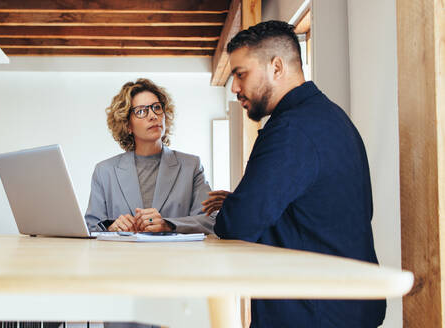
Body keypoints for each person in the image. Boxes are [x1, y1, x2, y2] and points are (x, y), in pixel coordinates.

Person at [201, 21, 386, 327]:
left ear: (276, 67)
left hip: (313, 311)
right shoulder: (331, 117)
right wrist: (242, 202)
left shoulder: (290, 130)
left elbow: (237, 225)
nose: (234, 88)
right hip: (343, 306)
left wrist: (236, 206)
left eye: (240, 74)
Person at [85, 78, 215, 236]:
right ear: (127, 125)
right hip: (122, 259)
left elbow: (211, 221)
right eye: (141, 111)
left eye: (157, 108)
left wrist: (168, 225)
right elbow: (90, 227)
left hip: (176, 258)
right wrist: (112, 228)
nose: (153, 116)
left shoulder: (192, 166)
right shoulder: (104, 171)